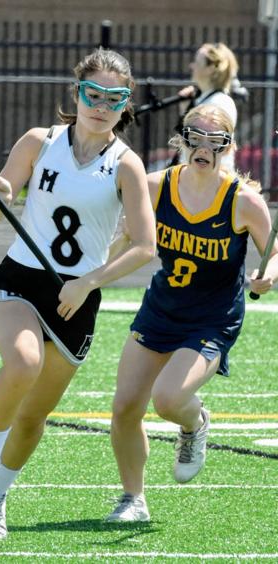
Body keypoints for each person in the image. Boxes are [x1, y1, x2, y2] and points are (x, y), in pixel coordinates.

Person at [0, 48, 157, 540]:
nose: (101, 105)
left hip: (76, 298)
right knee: (23, 362)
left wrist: (89, 281)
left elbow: (145, 246)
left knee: (32, 418)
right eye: (93, 93)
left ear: (126, 103)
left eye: (114, 98)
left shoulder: (126, 165)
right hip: (19, 279)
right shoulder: (39, 141)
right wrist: (0, 194)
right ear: (77, 93)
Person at [106, 104, 277, 522]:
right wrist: (89, 276)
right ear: (181, 139)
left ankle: (194, 422)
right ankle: (133, 499)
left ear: (228, 146)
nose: (202, 147)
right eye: (193, 137)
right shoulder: (154, 187)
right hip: (161, 309)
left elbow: (273, 252)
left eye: (213, 140)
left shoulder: (243, 202)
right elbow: (126, 238)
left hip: (212, 318)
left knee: (168, 399)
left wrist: (266, 275)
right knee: (126, 407)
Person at [175, 43, 240, 171]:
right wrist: (185, 110)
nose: (191, 66)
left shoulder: (220, 102)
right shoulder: (205, 99)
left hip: (211, 181)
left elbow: (216, 148)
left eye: (197, 62)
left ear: (211, 68)